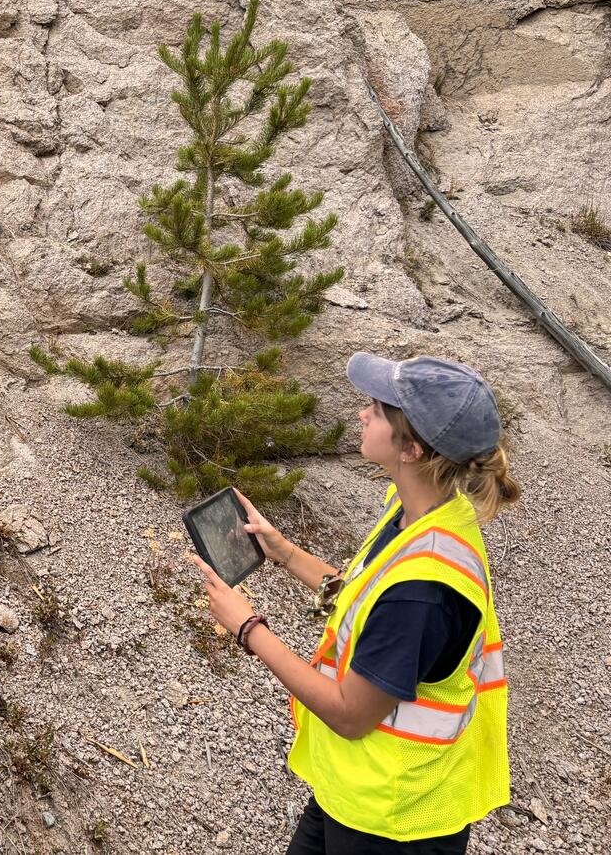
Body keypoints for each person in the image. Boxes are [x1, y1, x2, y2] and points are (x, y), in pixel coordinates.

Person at [189, 353, 519, 854]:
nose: (363, 413)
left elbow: (350, 713)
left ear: (411, 449)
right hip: (356, 790)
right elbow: (363, 593)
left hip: (396, 819)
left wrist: (248, 627)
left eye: (378, 409)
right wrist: (284, 551)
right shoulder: (421, 513)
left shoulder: (424, 589)